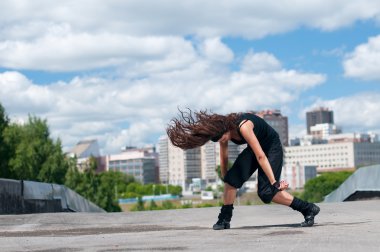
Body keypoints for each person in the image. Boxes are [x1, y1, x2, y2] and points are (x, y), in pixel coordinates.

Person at [166, 109, 320, 230]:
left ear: (227, 131)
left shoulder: (244, 126)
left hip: (271, 148)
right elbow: (224, 153)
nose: (223, 141)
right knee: (231, 181)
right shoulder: (222, 130)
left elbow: (261, 156)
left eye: (223, 138)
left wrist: (274, 182)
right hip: (256, 150)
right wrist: (226, 174)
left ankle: (308, 209)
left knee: (266, 193)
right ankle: (224, 219)